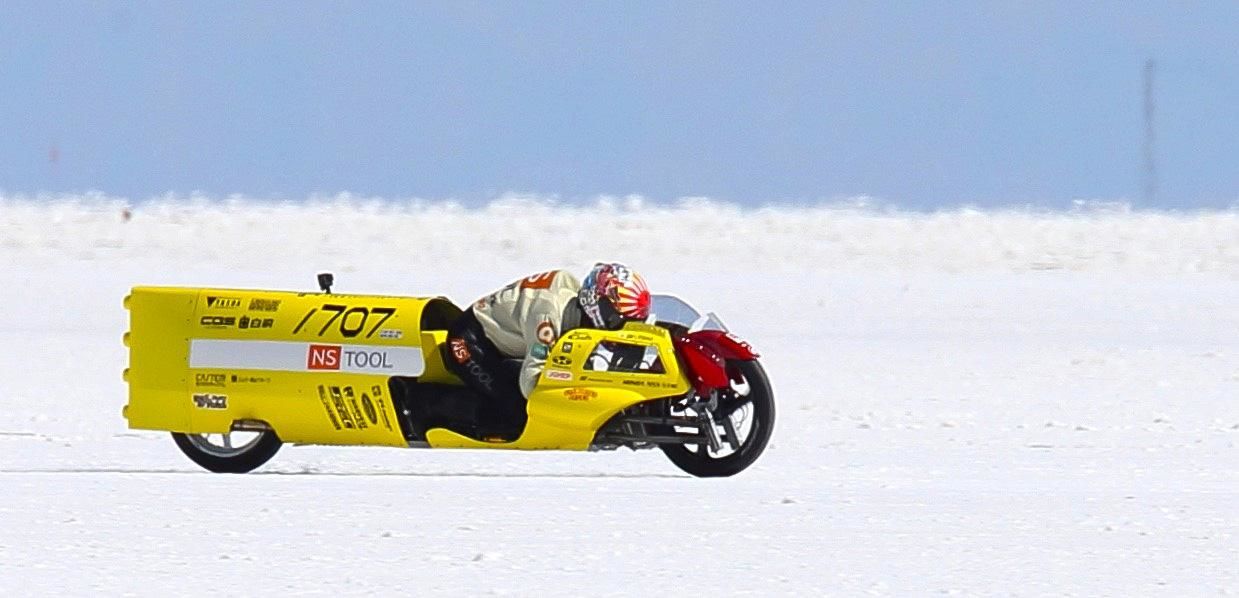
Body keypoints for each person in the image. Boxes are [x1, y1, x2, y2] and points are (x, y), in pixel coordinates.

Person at [439, 262, 651, 439]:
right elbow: (530, 383)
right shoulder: (548, 318)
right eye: (618, 320)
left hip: (502, 341)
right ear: (596, 302)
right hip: (467, 342)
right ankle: (427, 409)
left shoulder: (574, 306)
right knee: (517, 412)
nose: (621, 329)